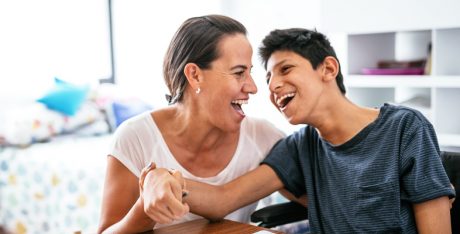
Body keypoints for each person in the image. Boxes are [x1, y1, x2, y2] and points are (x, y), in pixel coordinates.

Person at [142, 28, 456, 233]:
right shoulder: (300, 146)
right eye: (267, 78)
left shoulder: (405, 128)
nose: (272, 85)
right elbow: (223, 199)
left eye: (286, 69)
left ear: (328, 69)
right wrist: (164, 180)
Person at [96, 14, 286, 233]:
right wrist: (146, 208)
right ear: (194, 75)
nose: (253, 87)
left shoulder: (264, 137)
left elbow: (315, 196)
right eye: (239, 73)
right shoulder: (135, 137)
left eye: (249, 72)